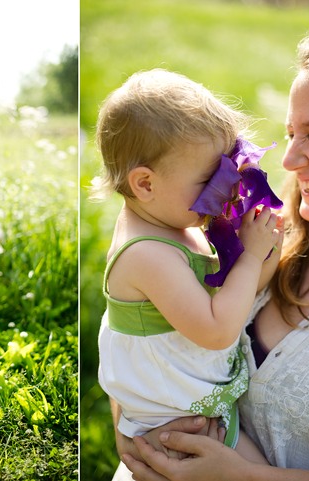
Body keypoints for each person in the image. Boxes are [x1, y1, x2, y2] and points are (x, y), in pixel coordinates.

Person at [118, 32, 309, 480]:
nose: (287, 159)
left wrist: (242, 477)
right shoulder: (257, 231)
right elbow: (143, 321)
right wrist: (136, 423)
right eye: (291, 133)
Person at [91, 69, 283, 465]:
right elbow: (215, 329)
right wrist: (248, 257)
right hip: (172, 431)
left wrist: (265, 255)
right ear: (145, 183)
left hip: (194, 408)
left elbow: (234, 296)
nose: (228, 187)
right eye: (210, 178)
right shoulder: (146, 254)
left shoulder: (176, 223)